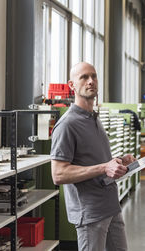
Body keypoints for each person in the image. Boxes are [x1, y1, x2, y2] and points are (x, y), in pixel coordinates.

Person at [50, 62, 135, 251]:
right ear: (72, 85)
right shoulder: (67, 124)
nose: (91, 81)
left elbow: (96, 160)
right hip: (91, 214)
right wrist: (105, 167)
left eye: (94, 76)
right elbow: (59, 174)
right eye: (84, 77)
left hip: (111, 206)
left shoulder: (93, 118)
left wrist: (121, 160)